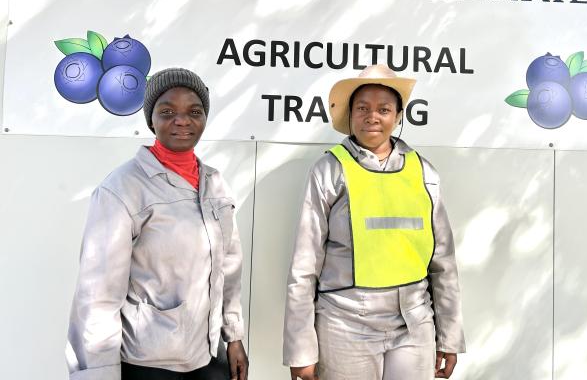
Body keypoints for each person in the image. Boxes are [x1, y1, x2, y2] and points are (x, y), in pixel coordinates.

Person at [283, 65, 465, 380]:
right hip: (344, 324)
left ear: (397, 115)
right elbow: (304, 265)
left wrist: (449, 337)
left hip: (413, 323)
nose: (373, 117)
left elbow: (443, 263)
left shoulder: (424, 173)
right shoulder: (329, 170)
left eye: (384, 109)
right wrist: (301, 350)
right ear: (350, 115)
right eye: (363, 108)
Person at [66, 68, 249, 380]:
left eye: (194, 111)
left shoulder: (215, 184)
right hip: (147, 361)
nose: (182, 121)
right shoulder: (123, 188)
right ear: (151, 120)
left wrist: (233, 337)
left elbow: (227, 270)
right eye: (167, 112)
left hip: (207, 355)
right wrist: (98, 373)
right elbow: (98, 294)